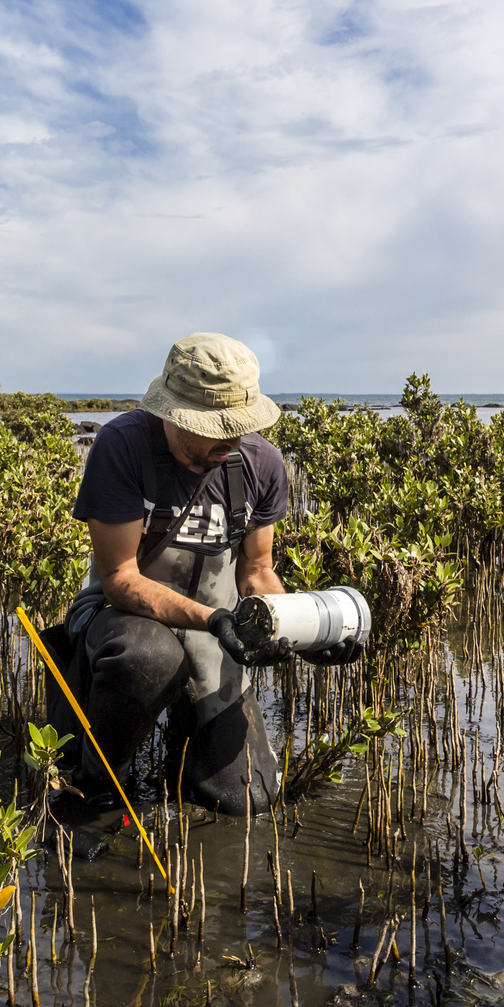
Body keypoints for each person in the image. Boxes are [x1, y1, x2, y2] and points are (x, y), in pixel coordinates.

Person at [56, 332, 361, 817]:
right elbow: (120, 579)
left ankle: (186, 749)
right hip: (121, 622)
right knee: (151, 656)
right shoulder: (123, 446)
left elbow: (258, 571)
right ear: (176, 416)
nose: (233, 441)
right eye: (218, 428)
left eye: (241, 427)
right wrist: (216, 619)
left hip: (216, 629)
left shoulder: (260, 463)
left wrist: (305, 632)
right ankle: (93, 787)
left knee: (246, 801)